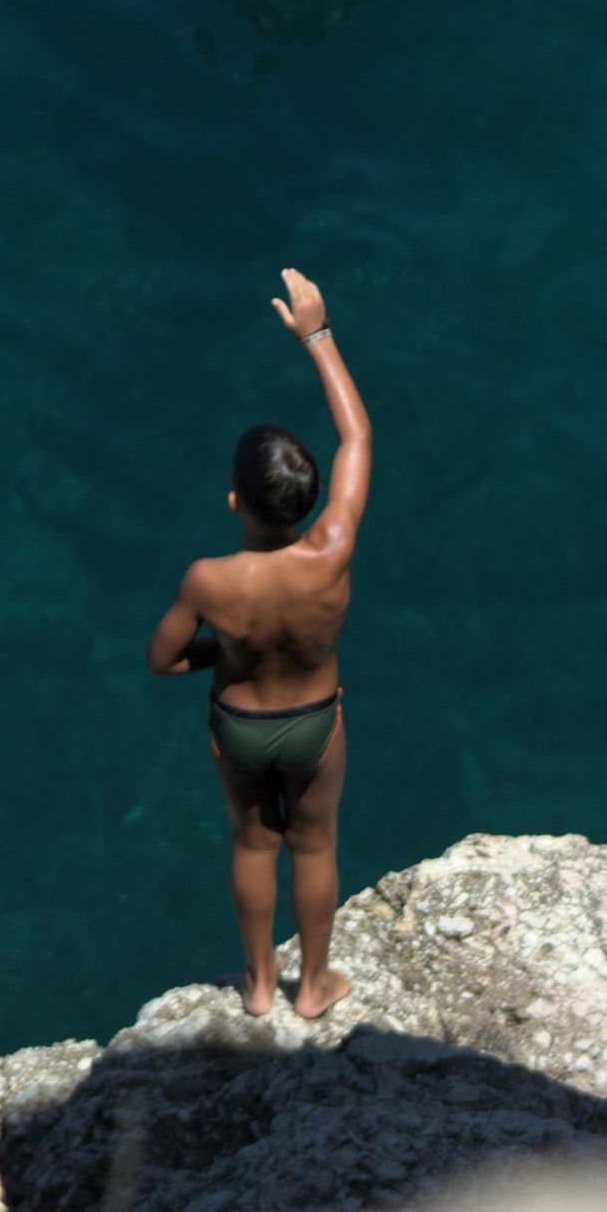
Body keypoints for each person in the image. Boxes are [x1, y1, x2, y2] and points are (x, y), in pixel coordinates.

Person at [146, 268, 370, 1019]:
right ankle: (314, 988)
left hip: (239, 726)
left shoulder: (210, 580)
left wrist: (227, 654)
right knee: (314, 844)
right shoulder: (332, 547)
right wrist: (317, 333)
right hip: (313, 721)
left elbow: (163, 659)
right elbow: (357, 436)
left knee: (252, 843)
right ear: (308, 504)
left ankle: (261, 988)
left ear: (236, 501)